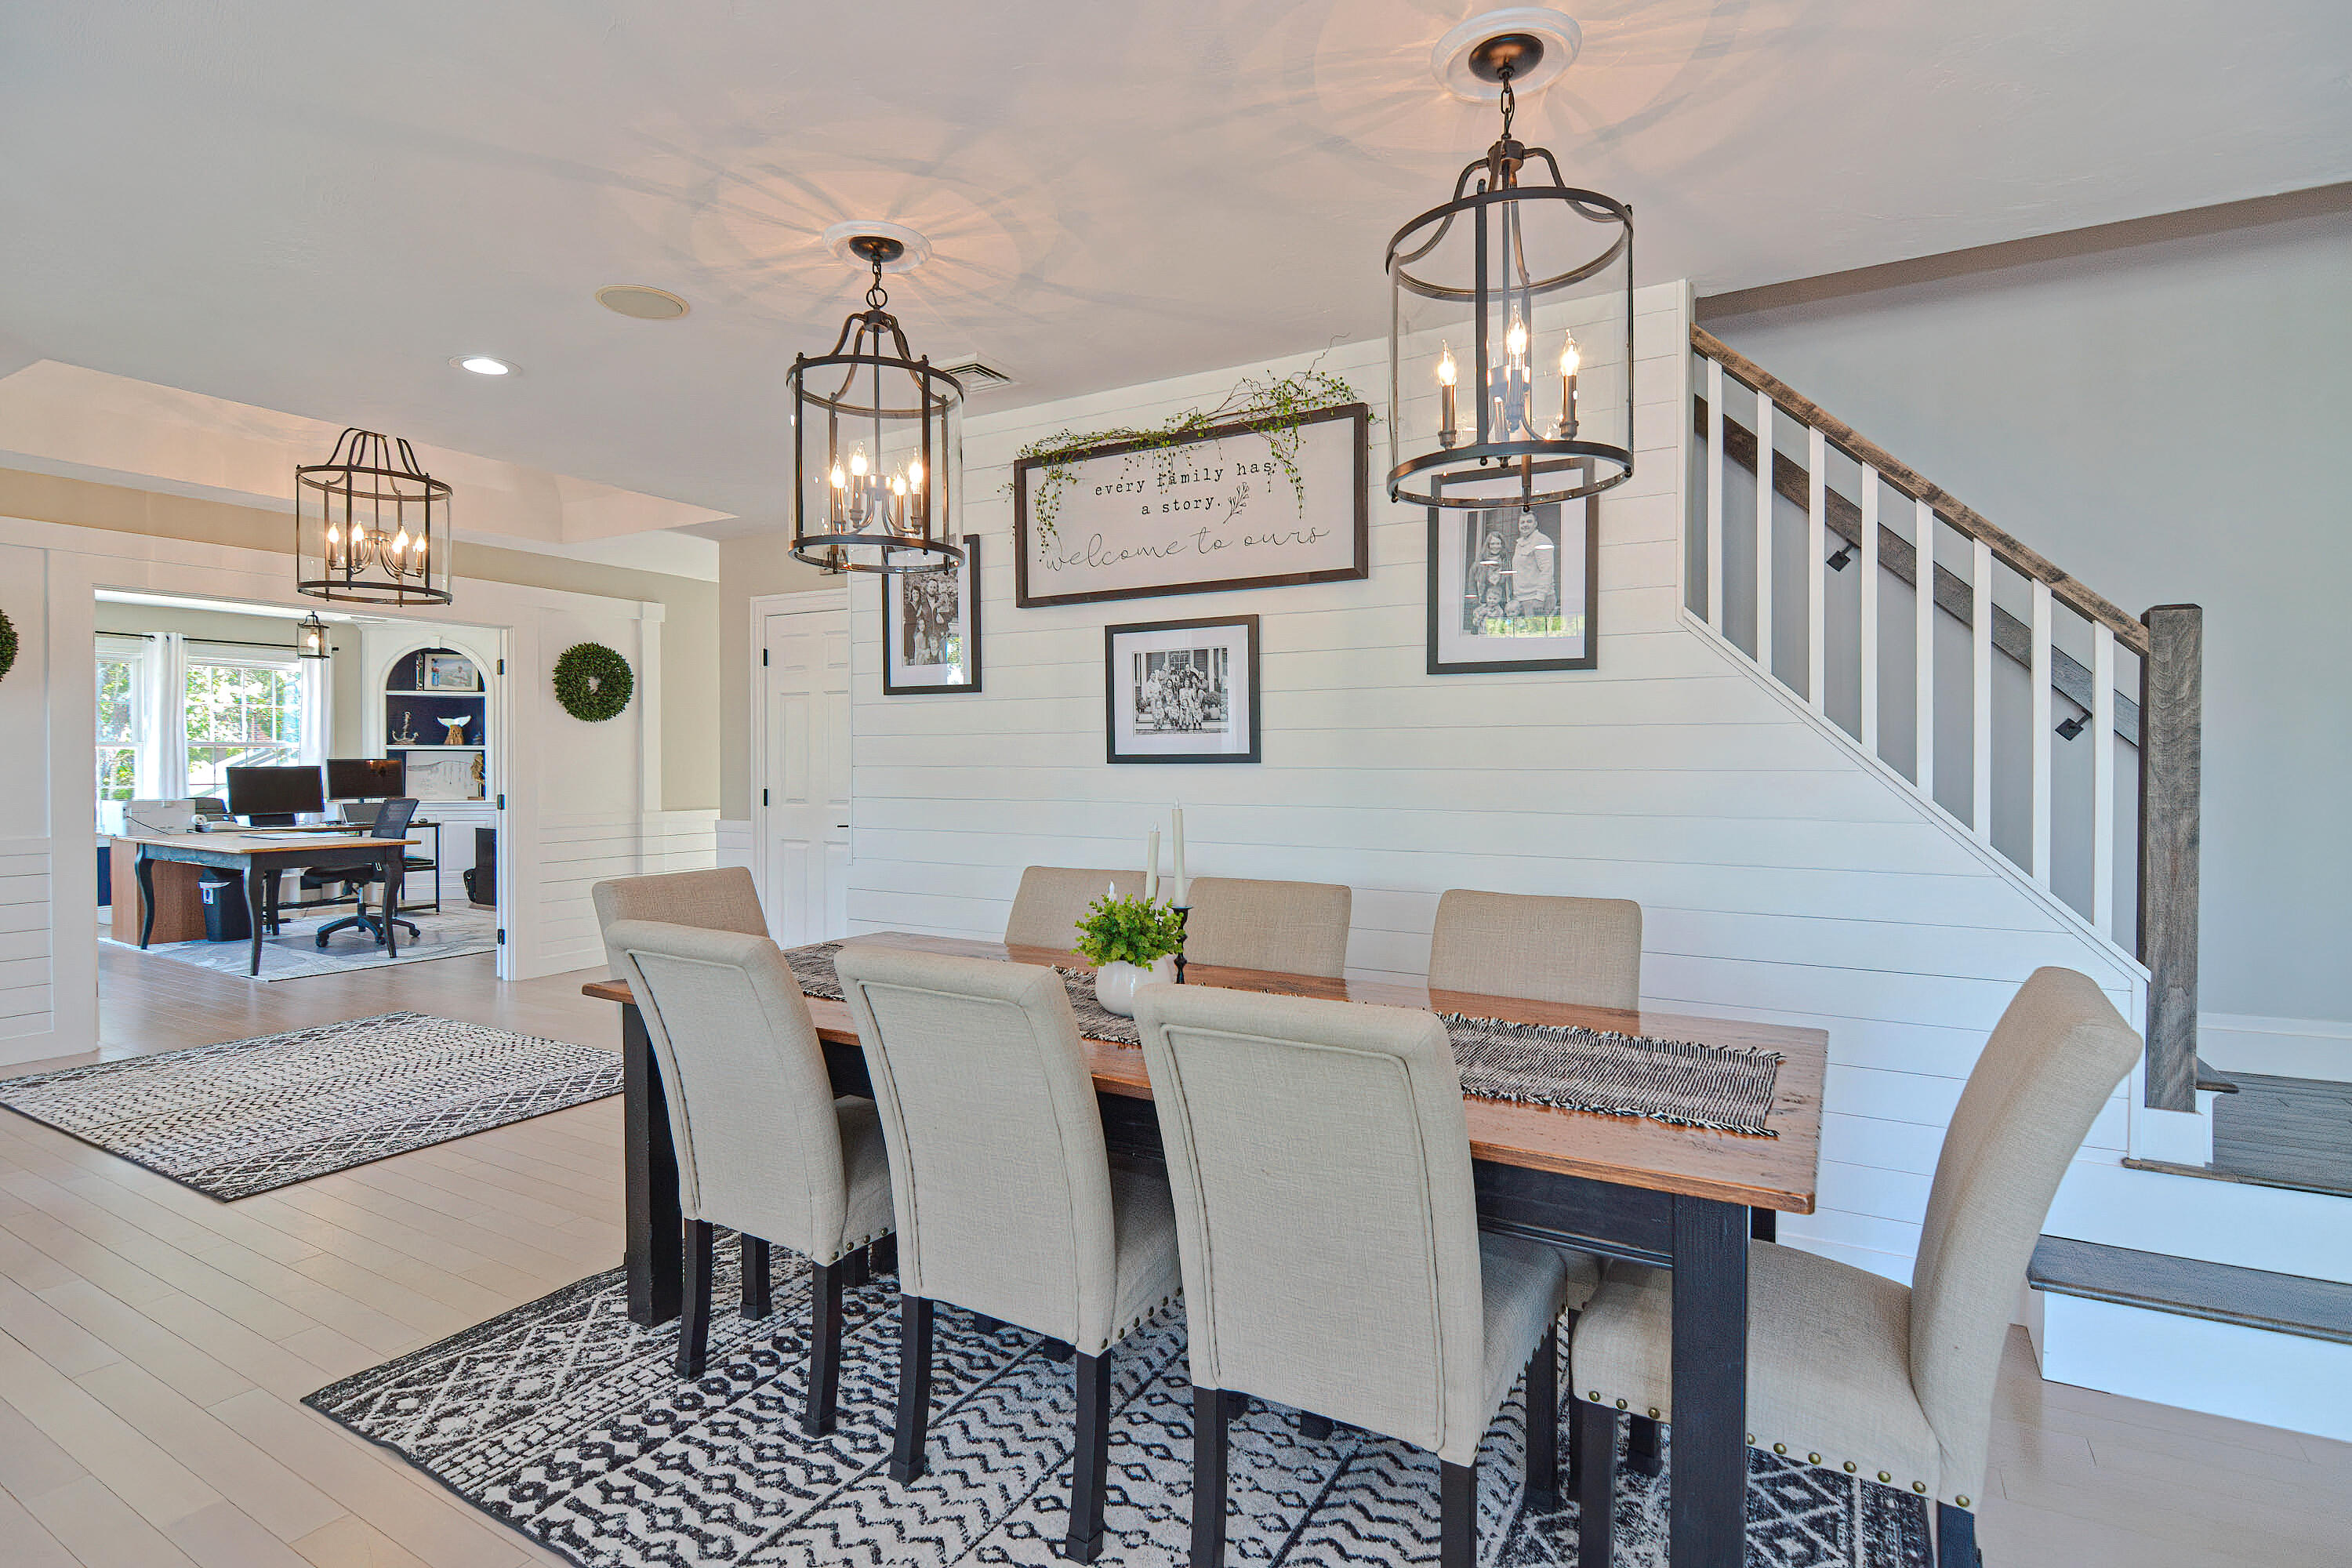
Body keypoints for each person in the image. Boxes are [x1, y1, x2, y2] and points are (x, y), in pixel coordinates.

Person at [1510, 510, 1556, 619]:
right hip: (1523, 599)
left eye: (1529, 521)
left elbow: (1547, 571)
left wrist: (1540, 598)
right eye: (1522, 522)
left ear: (1535, 524)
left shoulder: (1542, 540)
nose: (1525, 525)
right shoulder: (1520, 543)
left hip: (1537, 600)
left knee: (1536, 634)